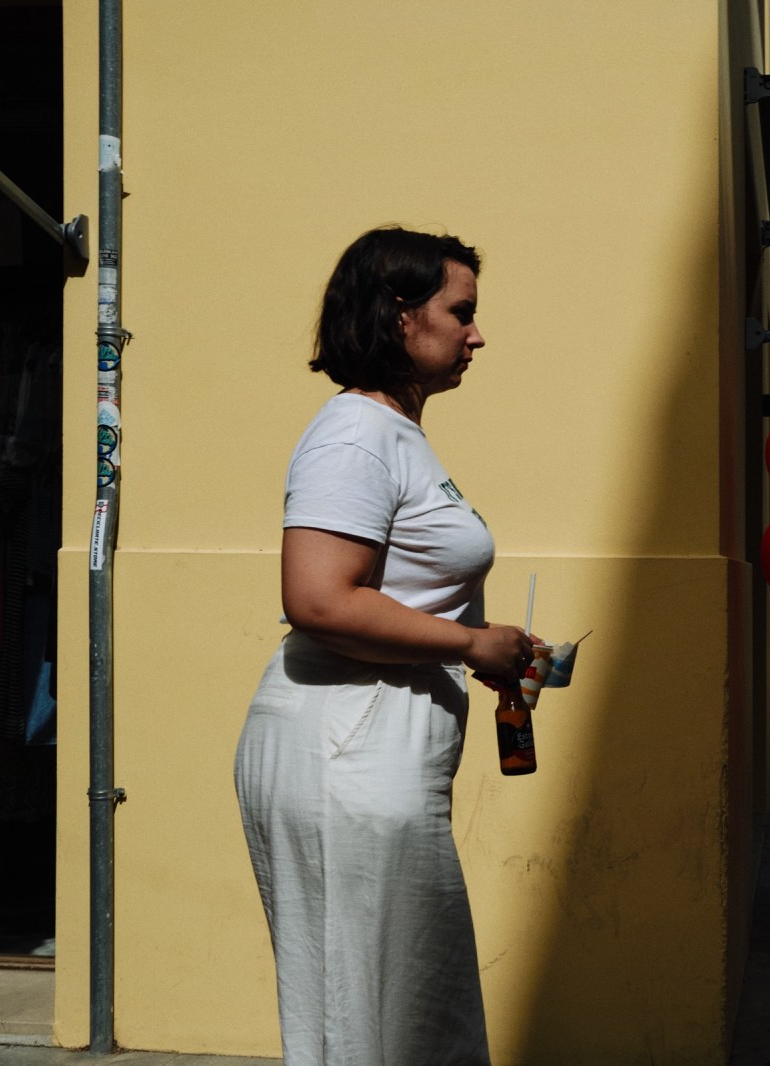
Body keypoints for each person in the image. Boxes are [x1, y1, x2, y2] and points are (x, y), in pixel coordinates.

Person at [234, 226, 533, 1066]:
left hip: (373, 752)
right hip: (345, 755)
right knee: (364, 1024)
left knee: (408, 1019)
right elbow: (318, 597)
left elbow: (398, 593)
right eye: (461, 311)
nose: (477, 334)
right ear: (401, 316)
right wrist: (471, 642)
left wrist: (487, 646)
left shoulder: (396, 435)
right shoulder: (355, 434)